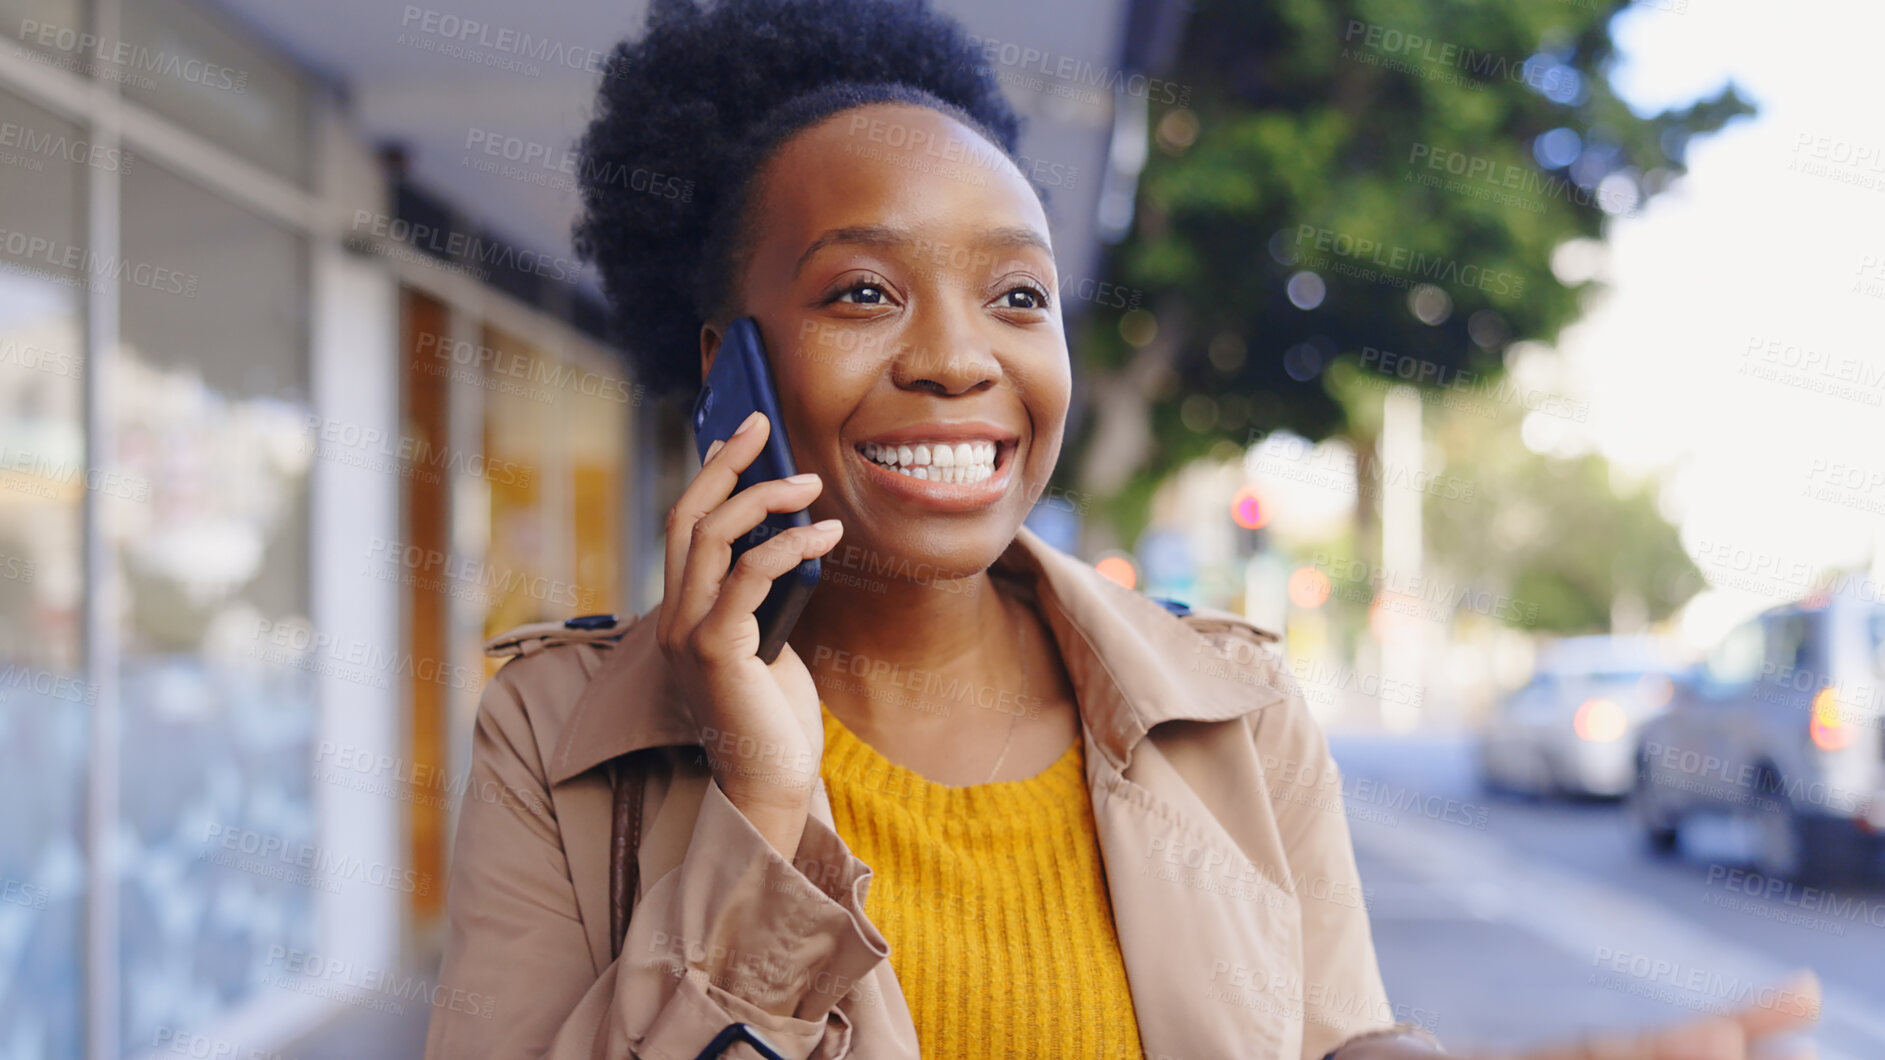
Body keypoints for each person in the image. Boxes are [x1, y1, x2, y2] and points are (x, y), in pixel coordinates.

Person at [425, 0, 1822, 1056]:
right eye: (864, 293)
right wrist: (754, 803)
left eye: (1016, 297)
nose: (958, 358)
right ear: (729, 360)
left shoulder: (1237, 707)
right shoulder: (556, 735)